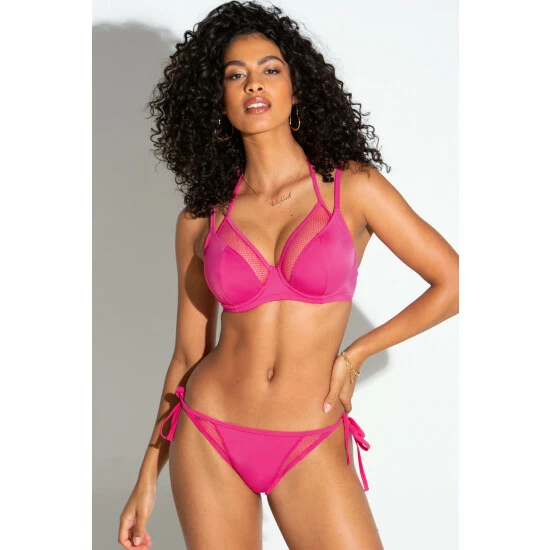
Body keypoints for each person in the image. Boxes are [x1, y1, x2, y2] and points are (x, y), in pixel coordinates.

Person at [118, 1, 459, 548]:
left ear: (296, 89)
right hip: (209, 432)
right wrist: (146, 478)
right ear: (218, 101)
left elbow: (455, 282)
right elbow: (186, 356)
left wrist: (356, 355)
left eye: (269, 69)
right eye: (235, 75)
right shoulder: (200, 219)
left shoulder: (355, 187)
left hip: (309, 436)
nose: (253, 83)